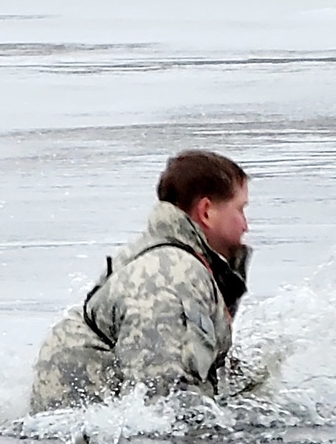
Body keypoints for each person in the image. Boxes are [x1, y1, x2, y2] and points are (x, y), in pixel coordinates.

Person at [29, 150, 251, 414]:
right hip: (84, 438)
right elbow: (161, 402)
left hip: (82, 424)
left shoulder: (162, 257)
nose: (245, 226)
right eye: (240, 209)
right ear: (206, 212)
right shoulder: (171, 276)